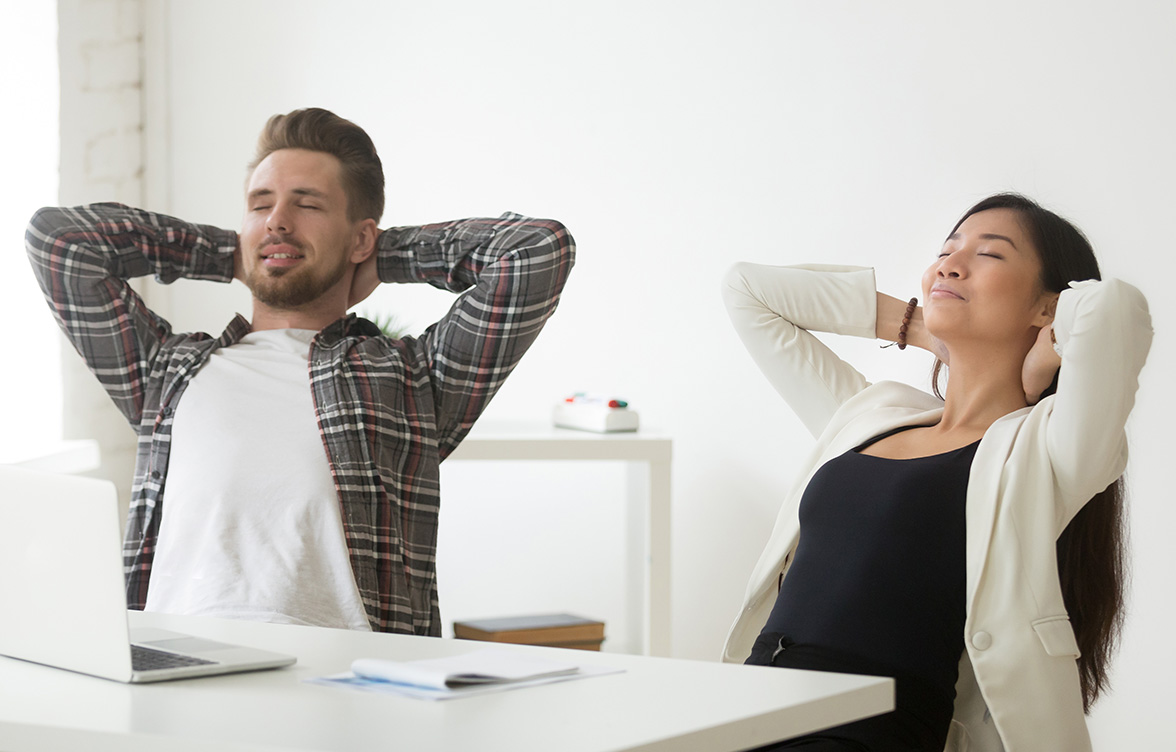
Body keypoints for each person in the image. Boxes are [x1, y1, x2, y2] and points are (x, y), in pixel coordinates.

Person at [26, 107, 575, 636]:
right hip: (177, 672)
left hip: (345, 689)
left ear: (360, 235)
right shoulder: (168, 373)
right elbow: (60, 242)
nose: (278, 221)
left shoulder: (411, 380)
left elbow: (535, 250)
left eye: (306, 205)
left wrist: (380, 258)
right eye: (260, 204)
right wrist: (228, 252)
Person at [720, 193, 1151, 751]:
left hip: (867, 735)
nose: (950, 263)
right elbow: (747, 291)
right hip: (747, 713)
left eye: (990, 255)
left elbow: (1113, 308)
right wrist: (930, 331)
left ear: (1047, 308)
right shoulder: (871, 415)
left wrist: (1043, 360)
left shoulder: (1045, 451)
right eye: (947, 250)